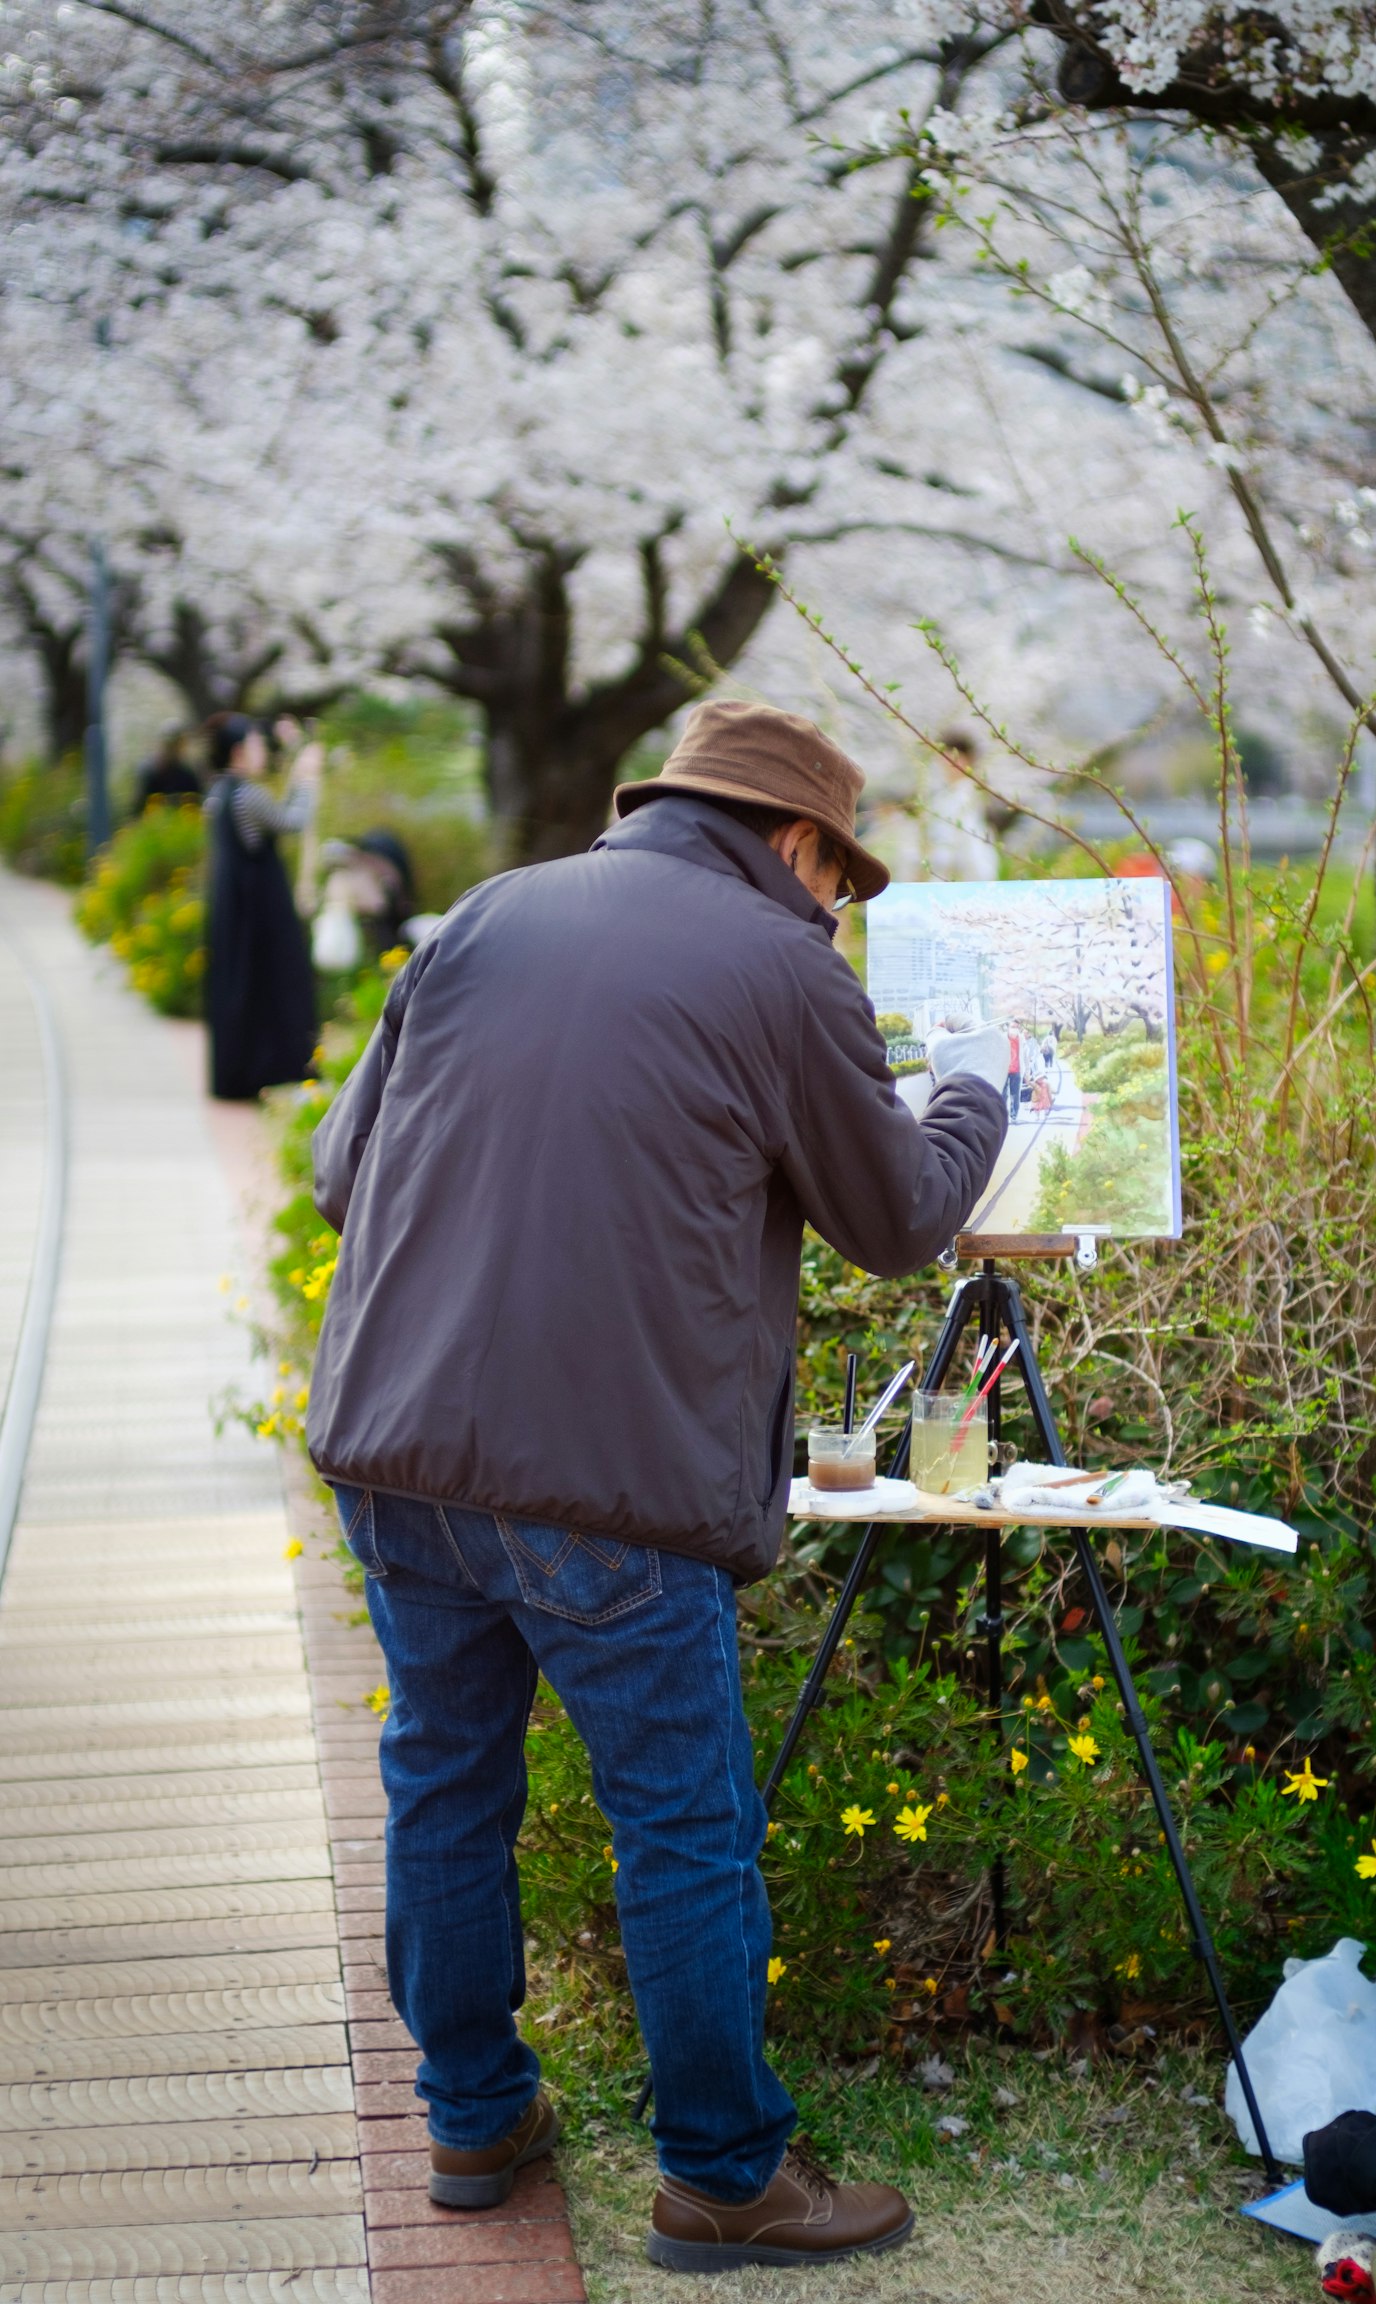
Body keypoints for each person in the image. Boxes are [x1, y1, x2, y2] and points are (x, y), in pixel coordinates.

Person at [304, 698, 1005, 2271]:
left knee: (444, 1785)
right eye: (841, 877)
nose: (839, 907)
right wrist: (973, 1093)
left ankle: (474, 2113)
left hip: (397, 1445)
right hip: (607, 1487)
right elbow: (897, 1220)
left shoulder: (490, 909)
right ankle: (723, 2175)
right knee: (681, 1829)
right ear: (798, 843)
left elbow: (343, 1172)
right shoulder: (782, 966)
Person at [203, 714, 320, 1101]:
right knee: (278, 985)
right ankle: (280, 1069)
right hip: (262, 913)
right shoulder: (246, 795)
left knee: (241, 993)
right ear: (238, 753)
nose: (262, 752)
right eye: (256, 745)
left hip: (234, 914)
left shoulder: (219, 794)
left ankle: (241, 1073)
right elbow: (292, 821)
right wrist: (306, 781)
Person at [132, 722, 202, 814]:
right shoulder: (150, 772)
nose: (173, 749)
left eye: (177, 744)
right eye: (170, 745)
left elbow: (196, 806)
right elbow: (139, 808)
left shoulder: (188, 774)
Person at [1005, 1016, 1022, 1122]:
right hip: (1004, 1070)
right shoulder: (1003, 1038)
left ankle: (1014, 1115)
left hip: (1017, 1070)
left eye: (1016, 1027)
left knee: (1015, 1095)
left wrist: (1027, 1072)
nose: (1014, 1029)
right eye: (1012, 1026)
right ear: (1008, 1027)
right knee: (1002, 1095)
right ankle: (1002, 1116)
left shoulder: (1021, 1039)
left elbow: (1025, 1056)